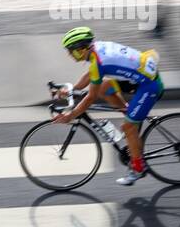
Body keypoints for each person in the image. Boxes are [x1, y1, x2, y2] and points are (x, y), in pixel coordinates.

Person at [52, 26, 164, 185]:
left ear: (82, 49)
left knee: (128, 127)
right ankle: (131, 117)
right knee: (104, 88)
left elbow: (90, 98)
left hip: (149, 85)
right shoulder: (95, 50)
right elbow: (91, 74)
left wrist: (71, 115)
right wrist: (72, 88)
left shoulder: (98, 62)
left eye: (72, 51)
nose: (70, 55)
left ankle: (138, 168)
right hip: (141, 74)